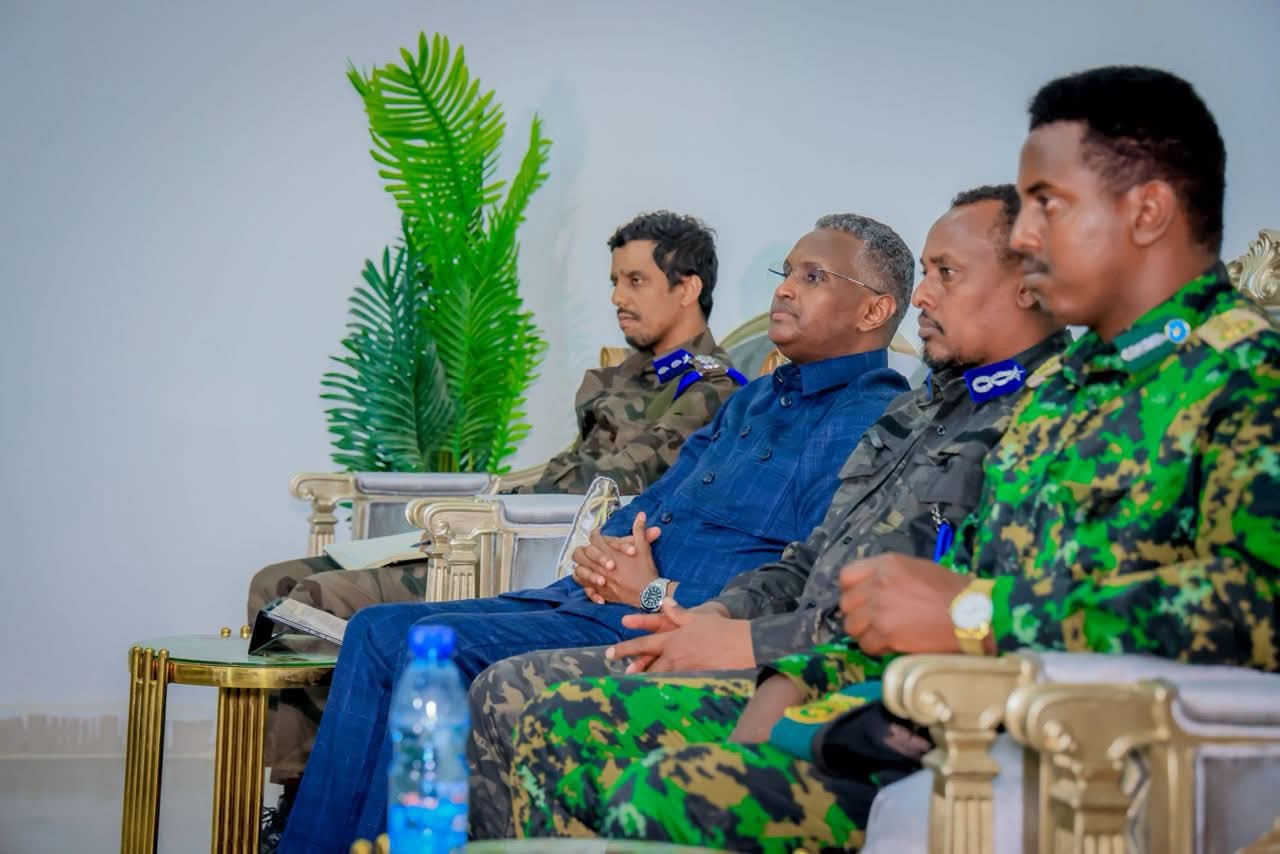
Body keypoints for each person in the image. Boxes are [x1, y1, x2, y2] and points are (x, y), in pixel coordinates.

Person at [513, 66, 1280, 852]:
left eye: (1048, 204)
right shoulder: (1067, 392)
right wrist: (791, 676)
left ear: (1147, 211)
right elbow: (914, 597)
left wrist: (974, 616)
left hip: (1086, 758)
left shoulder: (1247, 377)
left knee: (663, 794)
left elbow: (1257, 603)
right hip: (916, 712)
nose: (1025, 237)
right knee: (565, 727)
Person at [276, 211, 916, 853]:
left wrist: (647, 591)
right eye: (787, 272)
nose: (785, 288)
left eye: (813, 276)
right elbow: (651, 500)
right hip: (586, 599)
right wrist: (603, 554)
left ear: (874, 310)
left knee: (417, 645)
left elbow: (799, 581)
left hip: (658, 621)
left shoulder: (874, 418)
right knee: (377, 629)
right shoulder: (753, 400)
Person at [491, 183, 1067, 840]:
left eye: (946, 273)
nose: (923, 297)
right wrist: (714, 615)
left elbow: (941, 618)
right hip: (768, 648)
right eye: (926, 273)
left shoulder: (1042, 421)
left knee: (586, 735)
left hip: (871, 692)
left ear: (1028, 283)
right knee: (541, 712)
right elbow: (807, 558)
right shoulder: (915, 411)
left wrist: (747, 645)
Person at [248, 210, 747, 827]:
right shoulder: (627, 376)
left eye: (636, 281)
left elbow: (618, 487)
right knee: (273, 585)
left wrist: (486, 511)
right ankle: (301, 794)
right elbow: (564, 467)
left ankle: (308, 805)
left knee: (316, 598)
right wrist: (484, 497)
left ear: (688, 286)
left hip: (531, 552)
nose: (618, 297)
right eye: (615, 281)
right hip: (499, 527)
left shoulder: (714, 391)